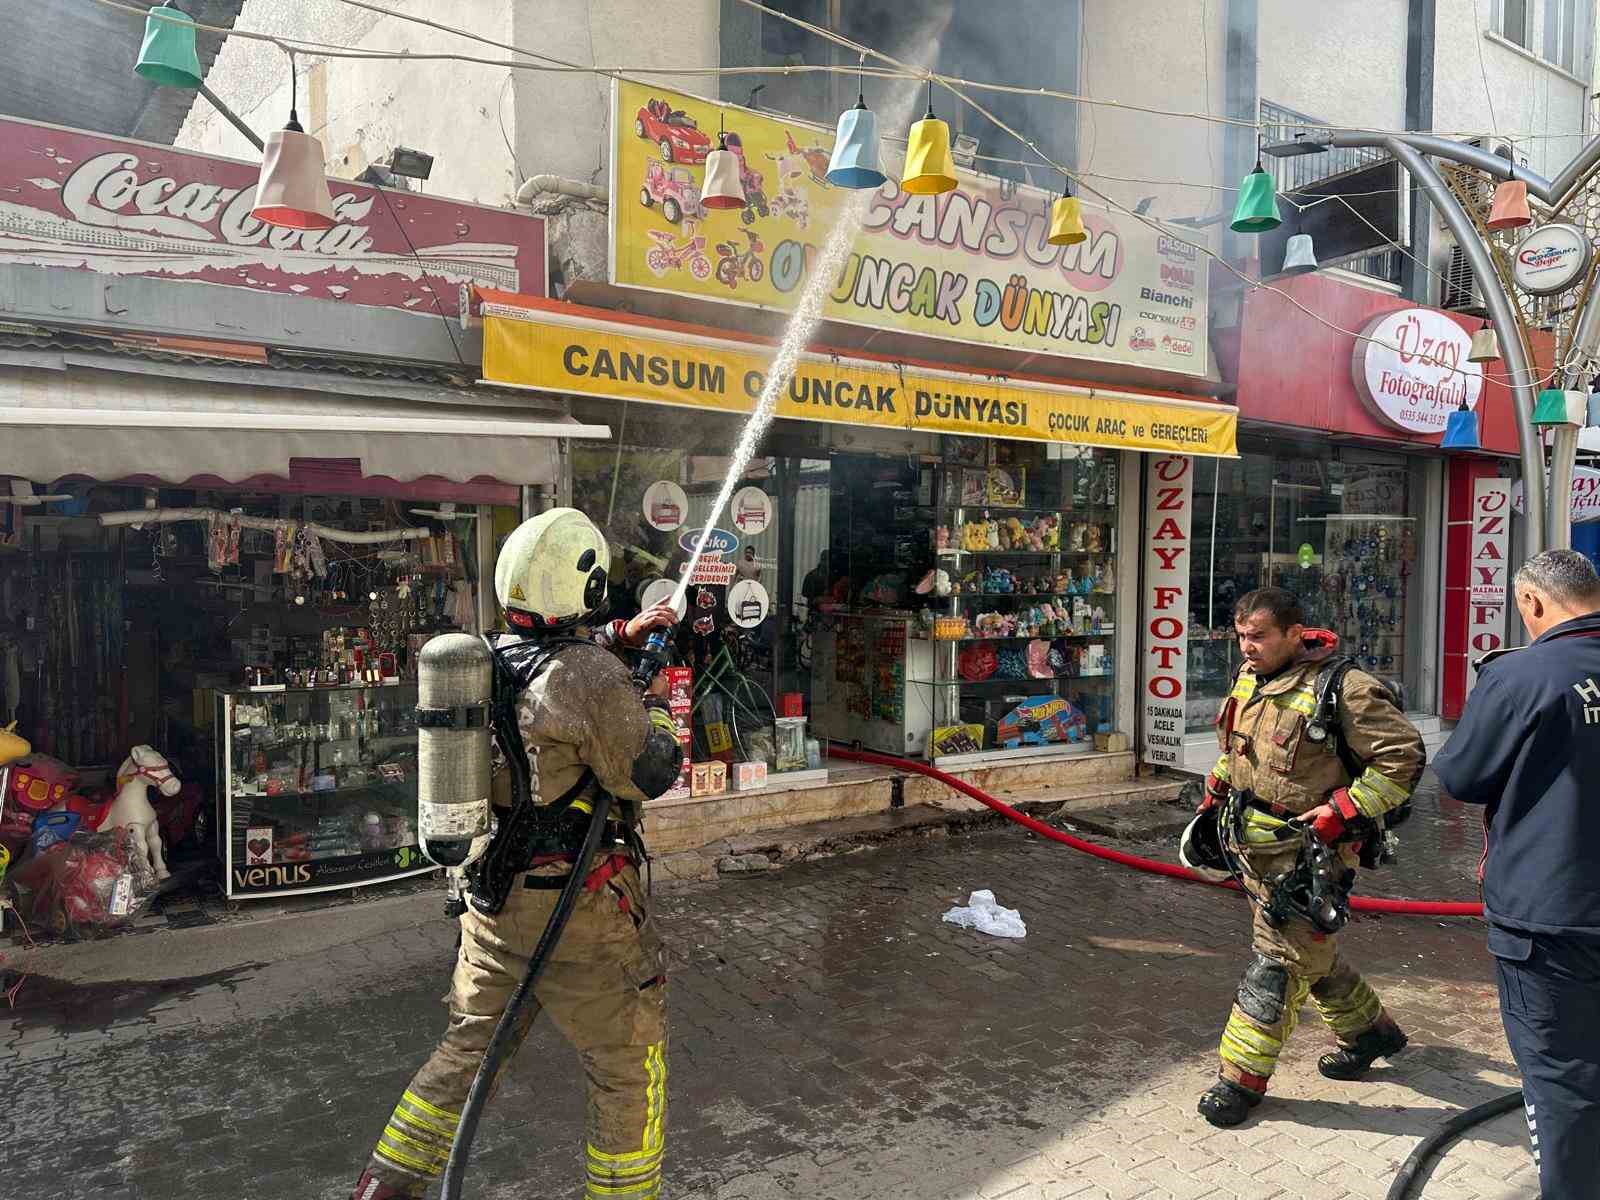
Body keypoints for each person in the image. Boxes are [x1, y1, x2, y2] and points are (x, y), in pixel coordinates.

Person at [351, 509, 684, 1200]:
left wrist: (622, 635)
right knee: (625, 1065)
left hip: (493, 907)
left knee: (466, 1052)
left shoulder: (483, 659)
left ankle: (384, 1186)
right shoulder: (590, 676)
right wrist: (654, 703)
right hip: (579, 912)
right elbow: (648, 772)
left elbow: (555, 679)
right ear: (584, 587)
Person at [1196, 588, 1425, 1127]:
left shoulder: (1343, 688)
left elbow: (1403, 759)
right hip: (1252, 849)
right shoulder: (1253, 677)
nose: (1246, 647)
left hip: (1310, 857)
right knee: (1308, 954)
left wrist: (1345, 810)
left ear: (1296, 633)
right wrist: (1220, 783)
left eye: (1258, 636)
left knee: (1277, 963)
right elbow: (1242, 748)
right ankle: (1371, 1033)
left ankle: (1240, 1080)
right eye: (1241, 636)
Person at [1432, 549, 1600, 1195]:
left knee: (1560, 1080)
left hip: (1548, 915)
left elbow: (1461, 776)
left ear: (1531, 603)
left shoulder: (1522, 675)